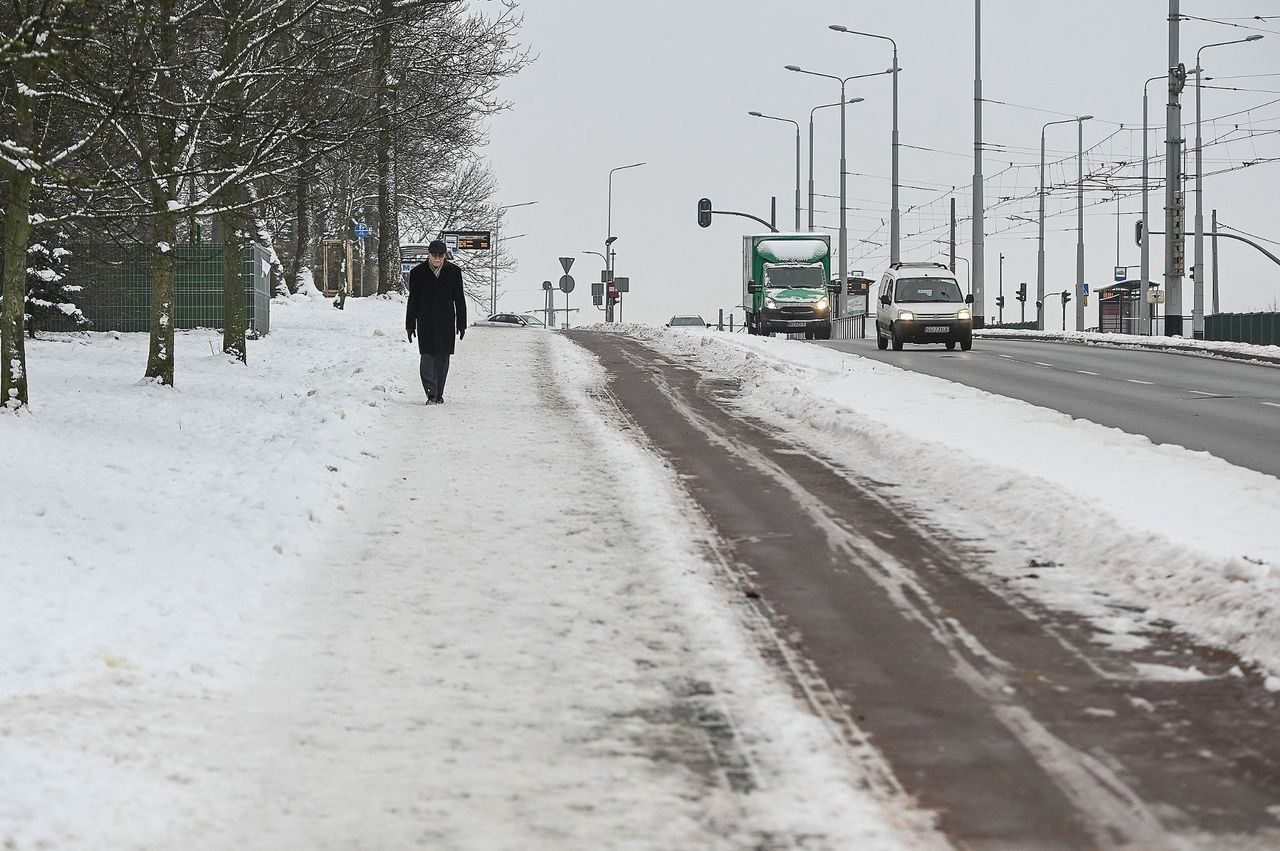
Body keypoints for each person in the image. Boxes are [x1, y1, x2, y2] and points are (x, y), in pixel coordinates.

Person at [405, 240, 467, 404]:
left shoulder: (454, 272)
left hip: (446, 322)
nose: (437, 258)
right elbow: (413, 301)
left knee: (442, 359)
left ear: (445, 255)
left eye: (441, 255)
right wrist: (410, 325)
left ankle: (439, 393)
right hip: (425, 321)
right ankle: (431, 393)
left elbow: (459, 299)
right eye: (434, 255)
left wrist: (462, 323)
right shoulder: (418, 273)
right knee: (426, 358)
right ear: (429, 255)